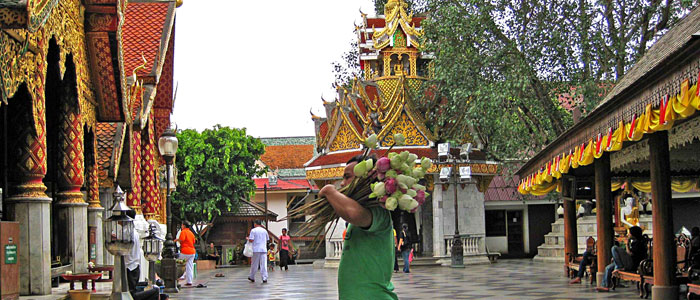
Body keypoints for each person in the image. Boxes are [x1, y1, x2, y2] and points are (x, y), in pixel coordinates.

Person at [319, 155, 398, 299]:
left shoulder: (379, 213)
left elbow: (353, 213)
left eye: (347, 177)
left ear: (365, 180)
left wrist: (330, 191)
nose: (342, 184)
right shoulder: (356, 222)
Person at [124, 210, 161, 300]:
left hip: (130, 266)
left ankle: (154, 292)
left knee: (132, 294)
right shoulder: (134, 231)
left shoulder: (128, 232)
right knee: (131, 291)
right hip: (134, 265)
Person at [597, 226, 648, 292]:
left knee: (614, 248)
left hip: (633, 263)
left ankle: (619, 266)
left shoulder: (639, 243)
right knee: (608, 268)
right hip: (628, 261)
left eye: (629, 233)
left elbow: (630, 254)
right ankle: (605, 286)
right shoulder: (633, 242)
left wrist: (626, 244)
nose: (628, 234)